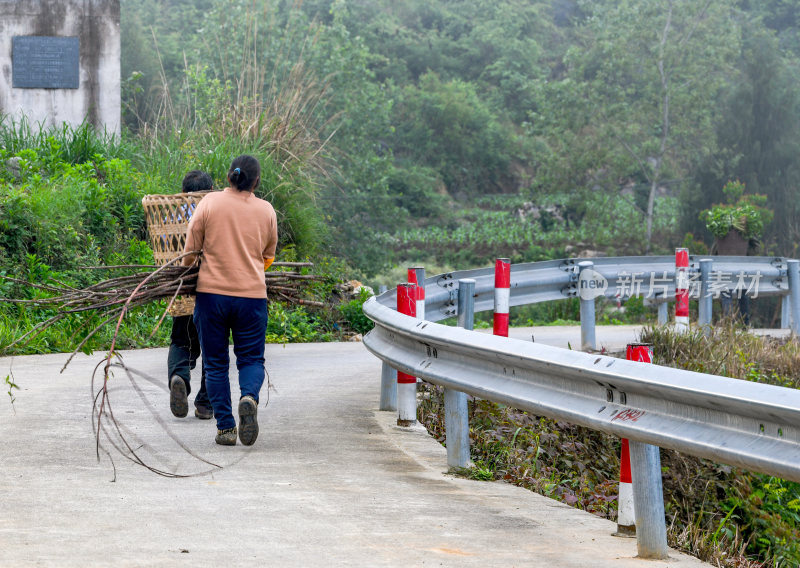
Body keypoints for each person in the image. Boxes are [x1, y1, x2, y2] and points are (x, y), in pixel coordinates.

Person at [182, 155, 278, 446]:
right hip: (251, 297)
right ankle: (249, 396)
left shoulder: (208, 204)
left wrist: (189, 274)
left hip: (212, 297)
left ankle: (225, 427)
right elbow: (268, 256)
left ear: (228, 177)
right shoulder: (267, 210)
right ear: (256, 181)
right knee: (250, 359)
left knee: (215, 364)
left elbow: (190, 252)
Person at [168, 170, 214, 420]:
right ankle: (206, 404)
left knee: (180, 340)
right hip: (212, 291)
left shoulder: (171, 216)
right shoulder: (215, 215)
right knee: (212, 347)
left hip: (182, 289)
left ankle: (179, 378)